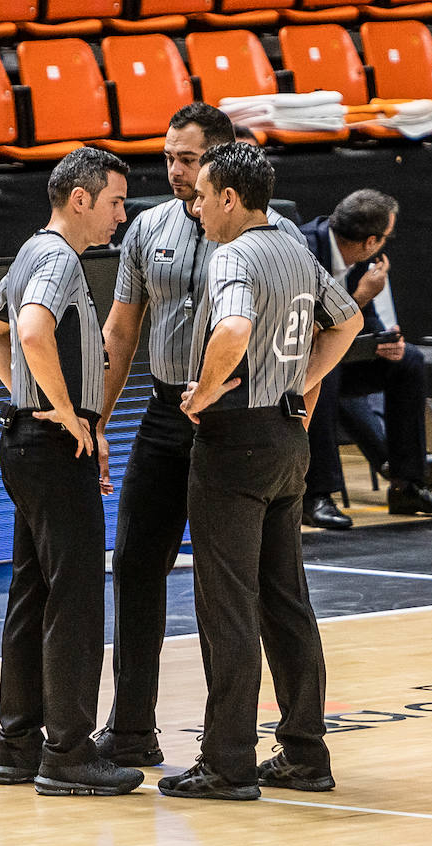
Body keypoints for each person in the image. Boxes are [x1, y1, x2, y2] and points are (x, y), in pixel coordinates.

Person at [92, 103, 306, 768]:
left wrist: (298, 409)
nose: (175, 170)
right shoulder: (147, 229)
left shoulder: (271, 231)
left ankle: (258, 744)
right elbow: (122, 330)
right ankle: (131, 729)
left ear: (220, 160)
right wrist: (95, 420)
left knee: (250, 586)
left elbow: (319, 324)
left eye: (188, 159)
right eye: (169, 156)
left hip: (240, 417)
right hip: (164, 414)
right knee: (133, 563)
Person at [157, 141, 362, 800]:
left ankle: (227, 763)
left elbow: (235, 327)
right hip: (285, 438)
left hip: (237, 439)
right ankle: (305, 752)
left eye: (200, 195)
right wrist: (304, 385)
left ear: (228, 197)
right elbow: (349, 318)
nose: (193, 207)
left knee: (227, 609)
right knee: (286, 602)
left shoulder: (234, 255)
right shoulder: (297, 249)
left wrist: (204, 391)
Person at [0, 146, 144, 796]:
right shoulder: (56, 258)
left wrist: (29, 398)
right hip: (50, 448)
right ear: (81, 198)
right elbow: (32, 329)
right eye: (115, 202)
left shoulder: (28, 252)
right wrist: (68, 414)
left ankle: (15, 747)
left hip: (23, 441)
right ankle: (67, 753)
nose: (121, 216)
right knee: (73, 600)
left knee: (32, 595)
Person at [299, 190, 432, 530]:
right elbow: (306, 326)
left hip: (344, 356)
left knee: (408, 361)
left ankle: (408, 485)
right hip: (300, 362)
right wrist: (361, 295)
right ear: (371, 241)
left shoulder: (360, 257)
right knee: (325, 374)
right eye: (387, 238)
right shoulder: (304, 250)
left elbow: (367, 321)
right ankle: (317, 495)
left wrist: (384, 342)